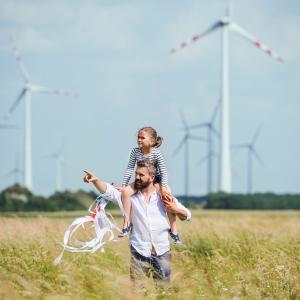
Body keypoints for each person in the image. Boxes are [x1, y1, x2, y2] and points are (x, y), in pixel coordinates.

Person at [83, 159, 191, 286]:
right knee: (137, 294)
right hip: (139, 252)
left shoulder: (163, 196)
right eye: (136, 174)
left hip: (162, 253)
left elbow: (187, 215)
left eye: (141, 175)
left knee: (163, 292)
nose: (137, 178)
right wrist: (95, 180)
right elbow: (109, 191)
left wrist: (175, 209)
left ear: (152, 177)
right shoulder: (128, 197)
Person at [120, 127, 180, 243]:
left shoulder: (157, 154)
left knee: (168, 196)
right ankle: (126, 223)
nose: (139, 140)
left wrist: (163, 187)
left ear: (152, 141)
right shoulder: (135, 151)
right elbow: (129, 168)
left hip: (156, 180)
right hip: (141, 179)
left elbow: (163, 171)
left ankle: (174, 229)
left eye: (142, 138)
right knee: (126, 192)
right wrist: (124, 185)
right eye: (138, 137)